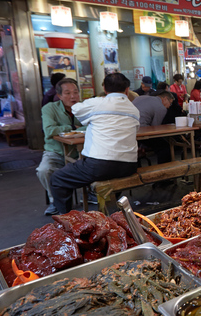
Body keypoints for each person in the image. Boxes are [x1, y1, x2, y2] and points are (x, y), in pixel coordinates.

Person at [50, 73, 139, 214]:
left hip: (100, 166)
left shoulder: (96, 103)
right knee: (110, 170)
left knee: (57, 178)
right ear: (127, 90)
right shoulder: (134, 109)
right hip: (130, 165)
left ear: (104, 88)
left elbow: (76, 109)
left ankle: (66, 219)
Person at [36, 78, 84, 215]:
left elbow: (93, 124)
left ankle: (91, 194)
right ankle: (55, 201)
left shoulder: (84, 108)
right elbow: (49, 130)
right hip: (56, 152)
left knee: (98, 164)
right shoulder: (49, 108)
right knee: (44, 170)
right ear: (59, 96)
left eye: (75, 92)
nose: (73, 96)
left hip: (80, 152)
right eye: (67, 93)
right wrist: (72, 127)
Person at [134, 91, 175, 163]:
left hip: (128, 130)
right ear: (165, 98)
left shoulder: (141, 97)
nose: (169, 106)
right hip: (141, 130)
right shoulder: (161, 108)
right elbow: (155, 128)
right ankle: (164, 170)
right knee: (164, 147)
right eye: (170, 103)